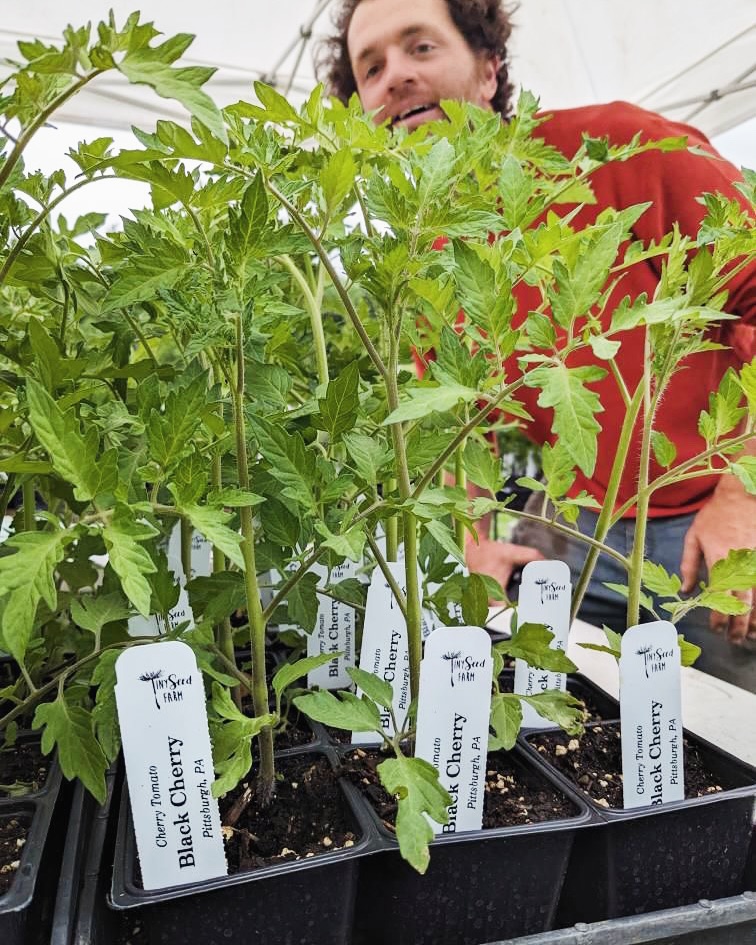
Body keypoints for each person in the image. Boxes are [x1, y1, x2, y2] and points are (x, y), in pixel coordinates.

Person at [319, 0, 756, 686]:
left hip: (710, 531)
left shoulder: (614, 149)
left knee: (727, 739)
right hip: (575, 534)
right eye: (369, 68)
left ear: (488, 72)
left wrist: (744, 494)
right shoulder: (431, 259)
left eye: (420, 48)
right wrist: (473, 547)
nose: (394, 75)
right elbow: (454, 424)